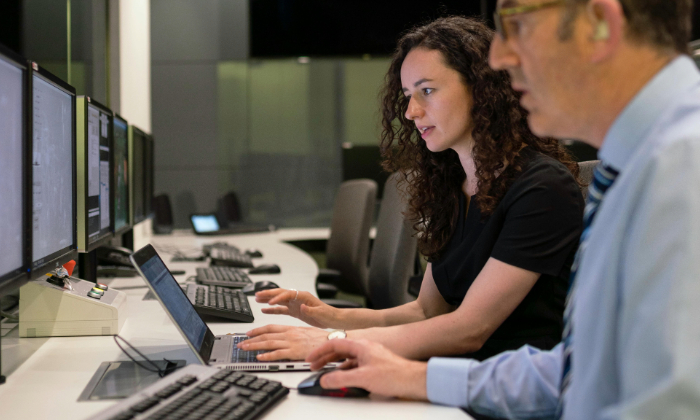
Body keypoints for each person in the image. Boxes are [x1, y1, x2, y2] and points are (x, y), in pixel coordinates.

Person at [306, 0, 700, 419]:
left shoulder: (682, 169)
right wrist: (409, 377)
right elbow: (577, 373)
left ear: (601, 24)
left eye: (517, 25)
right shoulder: (637, 167)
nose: (499, 58)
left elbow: (662, 406)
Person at [239, 17, 584, 364]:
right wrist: (328, 316)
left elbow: (470, 329)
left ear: (482, 88)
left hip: (502, 393)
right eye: (407, 96)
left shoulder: (542, 188)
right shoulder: (451, 187)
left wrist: (333, 341)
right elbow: (425, 313)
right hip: (446, 378)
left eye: (427, 91)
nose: (411, 112)